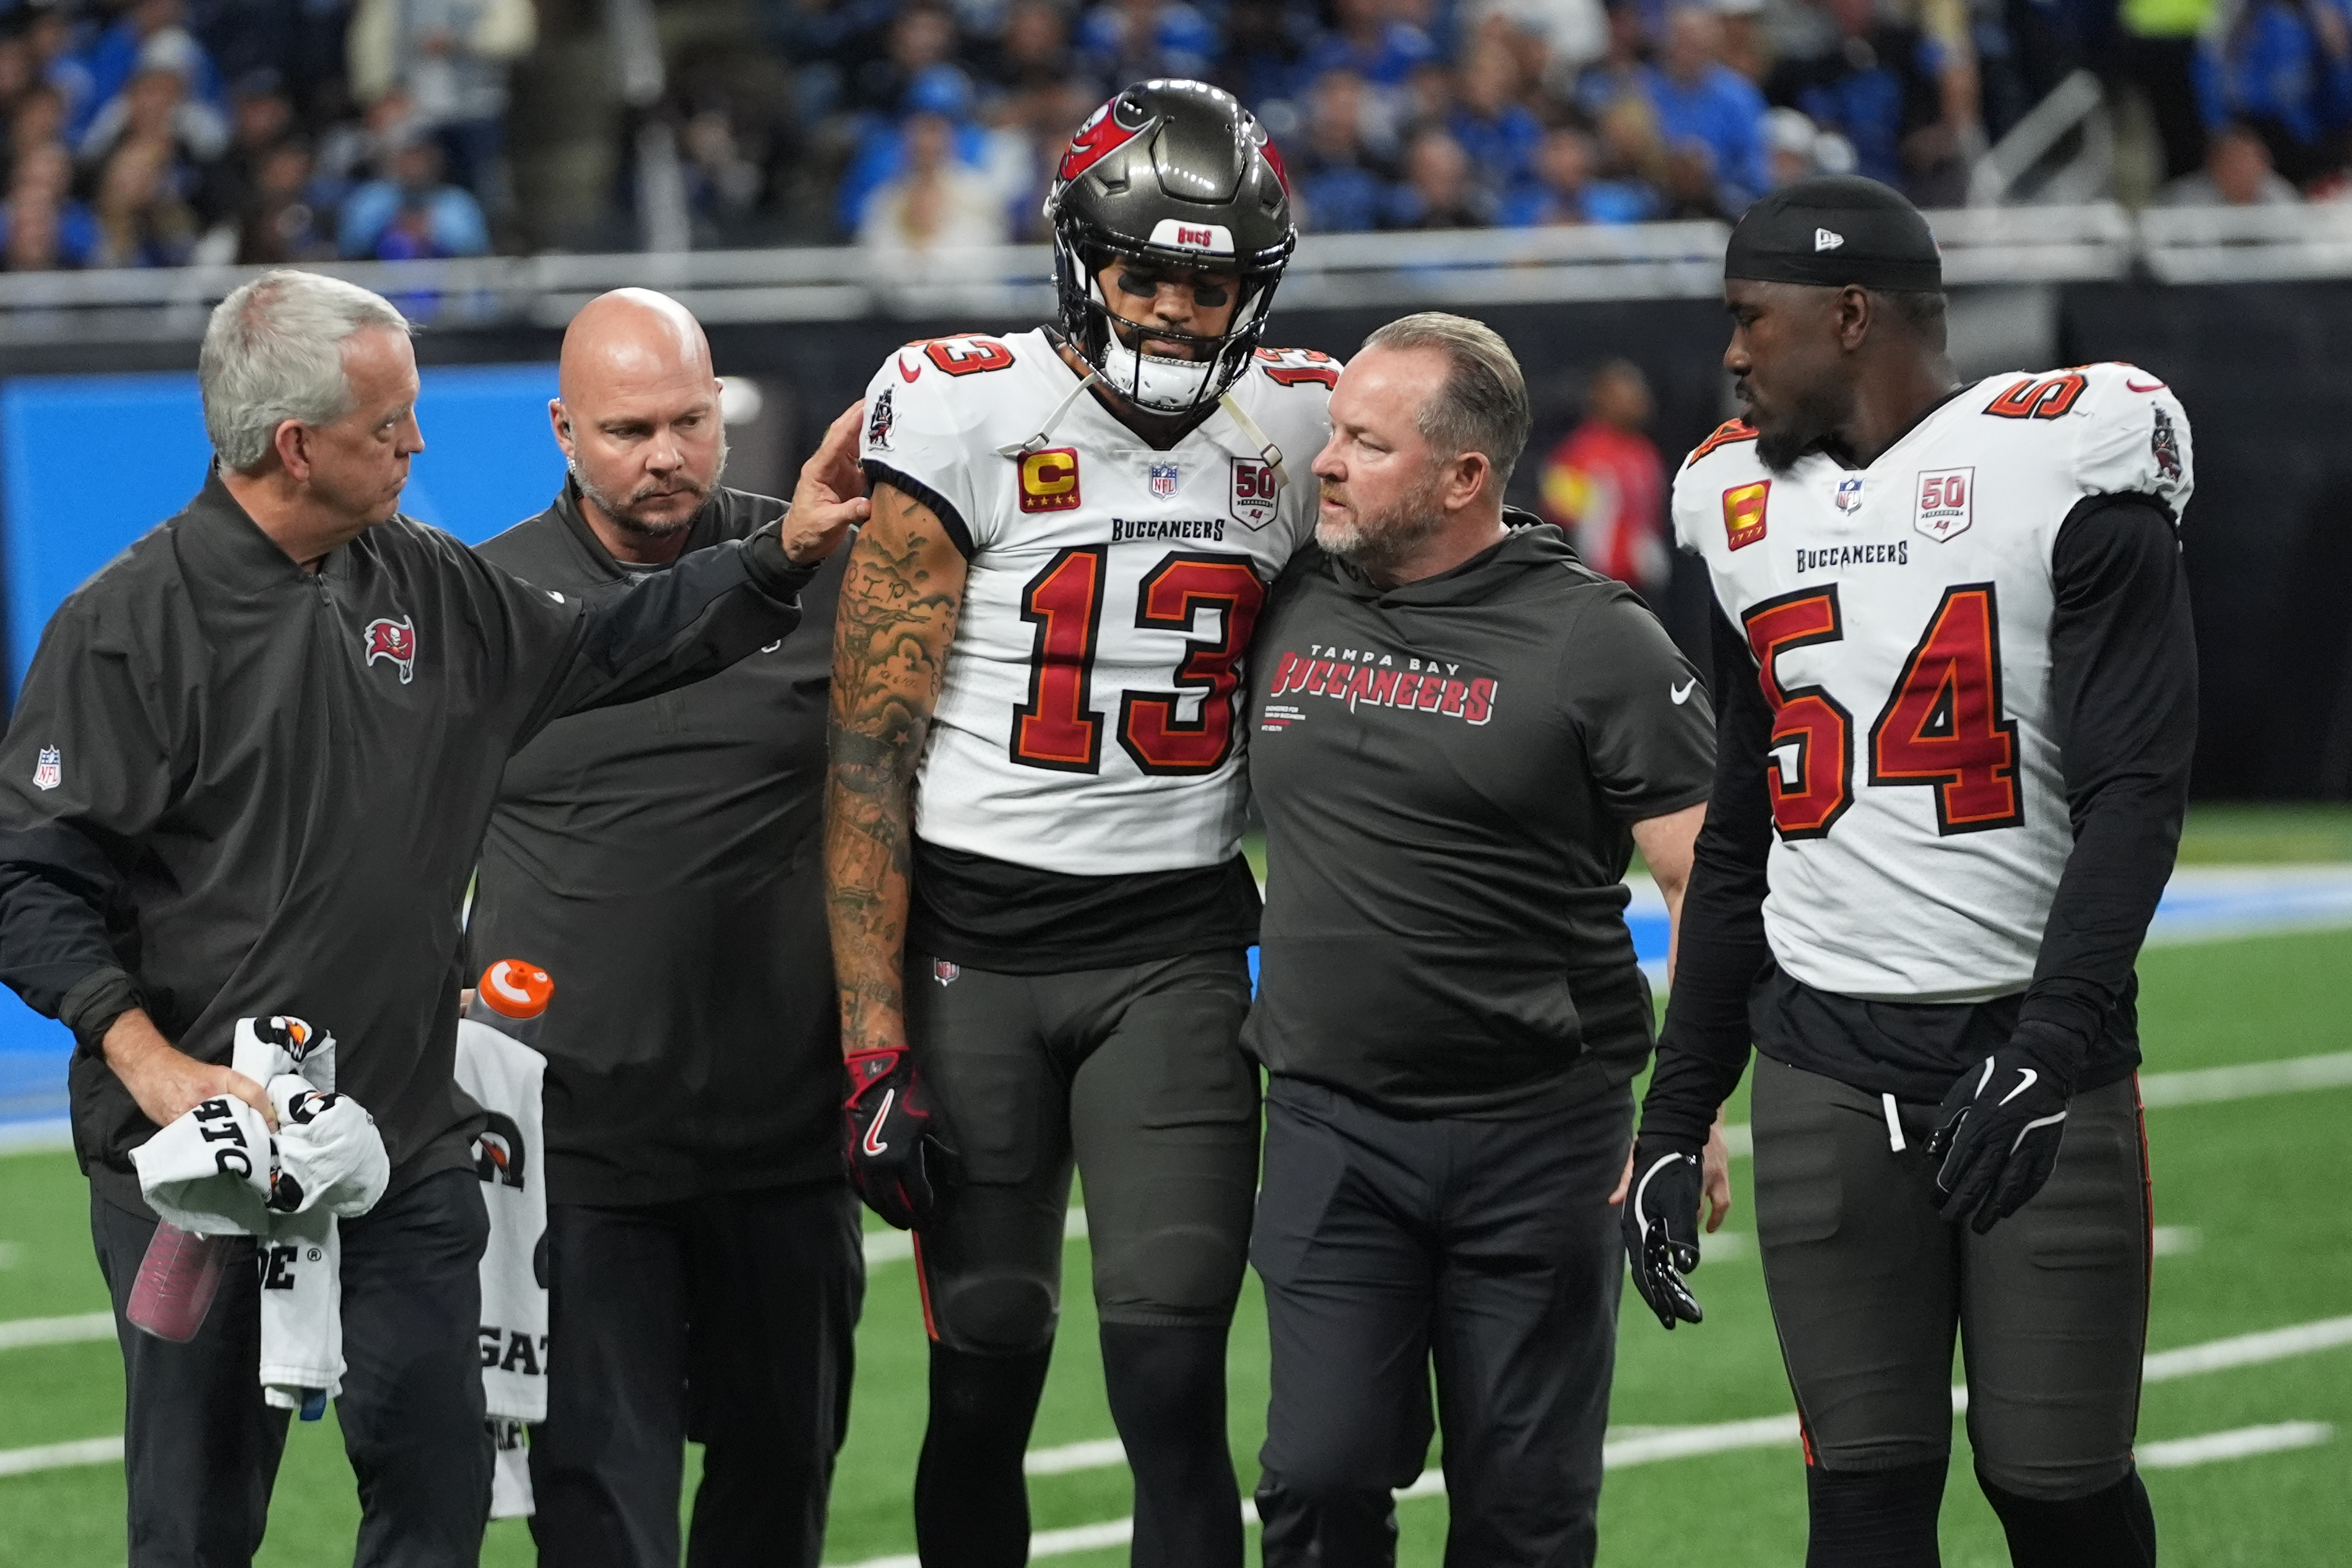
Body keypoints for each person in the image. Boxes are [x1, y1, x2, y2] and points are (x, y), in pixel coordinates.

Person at [0, 268, 856, 1567]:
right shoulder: (126, 626)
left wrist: (779, 553)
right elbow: (29, 878)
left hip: (401, 1146)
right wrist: (152, 1065)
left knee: (436, 1501)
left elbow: (621, 643)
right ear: (296, 446)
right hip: (199, 1165)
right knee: (193, 1523)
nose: (417, 441)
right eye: (389, 422)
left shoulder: (429, 585)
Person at [1624, 176, 2195, 1568]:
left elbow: (2135, 790)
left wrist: (2052, 1043)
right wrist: (1674, 1109)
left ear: (1851, 314)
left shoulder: (2067, 459)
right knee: (1864, 1504)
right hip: (1825, 1061)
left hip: (2023, 1047)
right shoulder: (1736, 503)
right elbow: (1745, 828)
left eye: (1755, 318)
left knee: (2055, 1489)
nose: (1735, 355)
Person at [825, 79, 1332, 1568]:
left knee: (1171, 1376)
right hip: (973, 945)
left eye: (1214, 281)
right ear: (1078, 260)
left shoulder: (1301, 414)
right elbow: (868, 750)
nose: (1178, 311)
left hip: (1172, 939)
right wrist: (869, 1044)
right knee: (981, 1365)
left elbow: (1442, 507)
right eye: (1149, 274)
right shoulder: (959, 400)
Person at [1244, 311, 1725, 1568]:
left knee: (1523, 1518)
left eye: (1366, 442)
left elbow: (1705, 877)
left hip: (1542, 1135)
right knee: (1317, 1480)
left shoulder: (1595, 638)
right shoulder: (1289, 591)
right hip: (1332, 1125)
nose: (1326, 464)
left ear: (1466, 476)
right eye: (1332, 432)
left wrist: (1690, 1109)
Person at [466, 291, 866, 1568]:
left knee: (778, 1494)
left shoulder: (834, 568)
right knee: (599, 1515)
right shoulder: (487, 603)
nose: (666, 456)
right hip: (576, 1152)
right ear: (563, 429)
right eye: (629, 428)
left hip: (789, 1142)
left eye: (691, 421)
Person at [1538, 357, 1670, 596]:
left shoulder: (1645, 453)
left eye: (1639, 392)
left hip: (1643, 579)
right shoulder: (1578, 453)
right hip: (1595, 581)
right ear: (1601, 396)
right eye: (1627, 393)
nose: (1639, 400)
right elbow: (1556, 516)